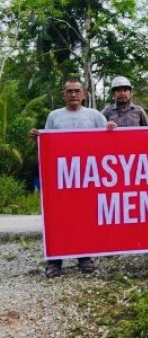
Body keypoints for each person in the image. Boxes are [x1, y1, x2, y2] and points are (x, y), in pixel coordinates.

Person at [29, 78, 109, 278]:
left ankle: (85, 257)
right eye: (69, 91)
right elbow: (47, 146)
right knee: (59, 219)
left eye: (77, 91)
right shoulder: (54, 116)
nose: (73, 94)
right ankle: (55, 261)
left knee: (84, 217)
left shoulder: (95, 116)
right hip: (61, 179)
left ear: (84, 94)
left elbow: (109, 141)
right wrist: (38, 139)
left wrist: (112, 128)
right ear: (63, 95)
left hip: (88, 177)